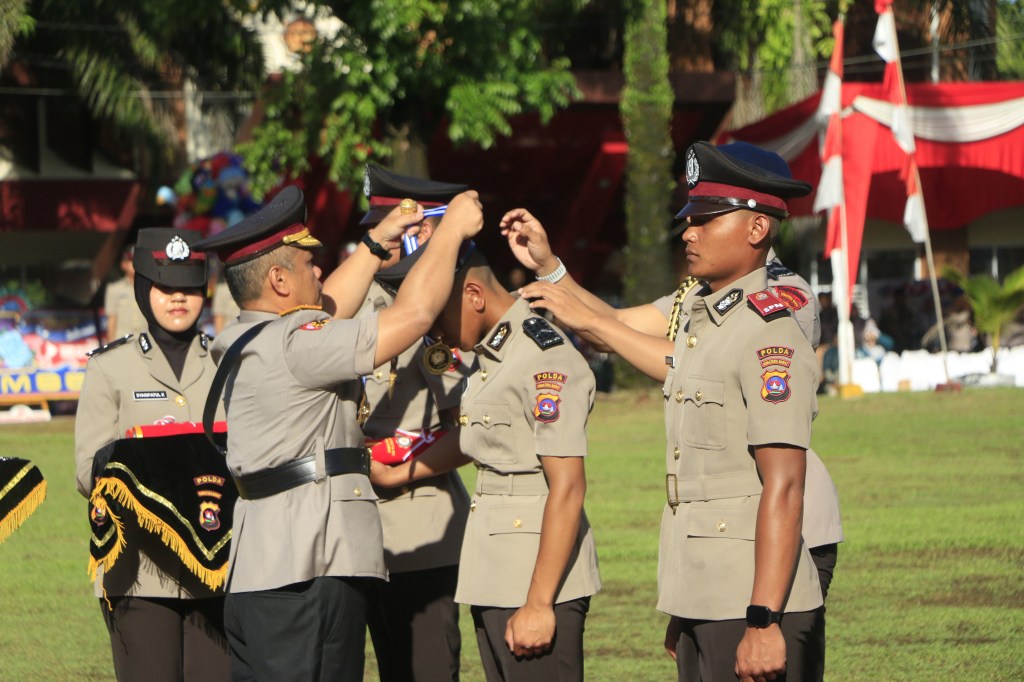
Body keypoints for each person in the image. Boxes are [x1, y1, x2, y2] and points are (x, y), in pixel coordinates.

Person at [511, 141, 826, 681]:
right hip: (716, 547)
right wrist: (552, 268)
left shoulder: (782, 299)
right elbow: (616, 324)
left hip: (778, 530)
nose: (688, 232)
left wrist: (763, 618)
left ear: (756, 229)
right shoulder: (702, 299)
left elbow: (679, 363)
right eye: (689, 219)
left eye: (705, 220)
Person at [191, 184, 483, 681]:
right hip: (308, 572)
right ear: (280, 280)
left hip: (264, 571)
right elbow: (411, 316)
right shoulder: (297, 345)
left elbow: (325, 309)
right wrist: (449, 232)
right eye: (308, 265)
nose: (320, 271)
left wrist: (374, 246)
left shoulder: (247, 334)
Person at [372, 243, 601, 682]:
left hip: (535, 577)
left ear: (474, 295)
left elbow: (568, 487)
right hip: (497, 571)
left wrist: (538, 603)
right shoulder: (493, 356)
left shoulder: (542, 357)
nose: (432, 333)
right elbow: (478, 437)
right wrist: (401, 472)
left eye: (436, 317)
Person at [75, 227, 229, 681]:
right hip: (138, 572)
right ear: (142, 288)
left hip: (218, 568)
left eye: (189, 288)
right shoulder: (110, 367)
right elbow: (87, 472)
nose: (178, 298)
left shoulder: (229, 362)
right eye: (165, 287)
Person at [357, 164, 474, 682]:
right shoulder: (359, 303)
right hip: (356, 537)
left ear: (422, 231)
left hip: (419, 532)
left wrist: (396, 473)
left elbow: (473, 427)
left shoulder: (432, 313)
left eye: (396, 230)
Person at [103, 244, 147, 343]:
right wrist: (111, 345)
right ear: (123, 264)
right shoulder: (114, 289)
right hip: (123, 341)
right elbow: (111, 320)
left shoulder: (150, 288)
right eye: (132, 261)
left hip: (145, 341)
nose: (135, 265)